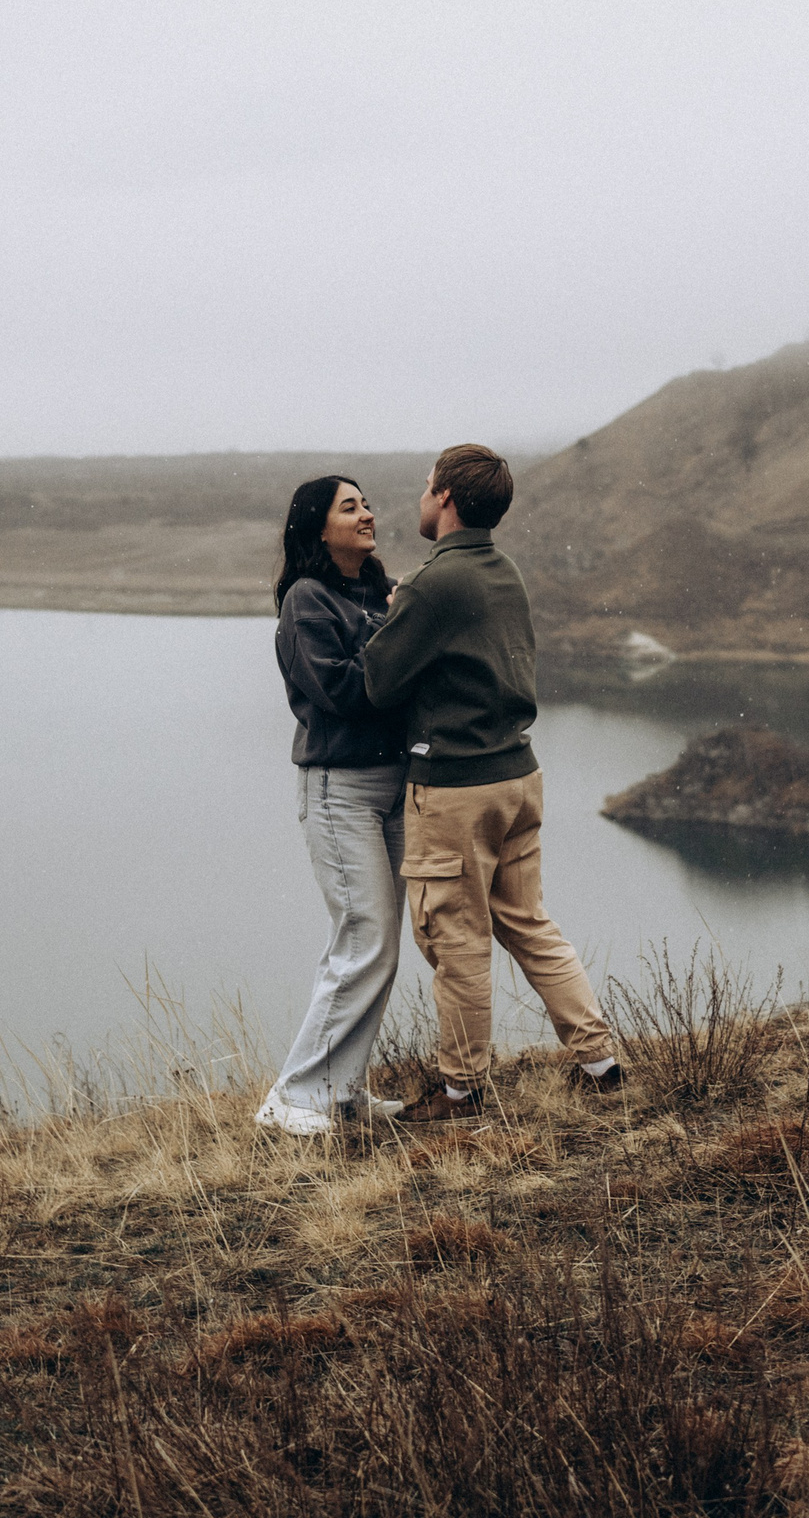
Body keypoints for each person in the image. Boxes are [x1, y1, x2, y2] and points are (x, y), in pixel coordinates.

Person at [362, 444, 622, 1120]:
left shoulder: (433, 582)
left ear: (446, 497)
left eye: (427, 486)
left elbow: (378, 682)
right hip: (517, 776)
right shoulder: (504, 571)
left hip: (456, 789)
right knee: (527, 922)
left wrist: (396, 614)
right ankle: (601, 1062)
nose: (421, 497)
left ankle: (462, 1091)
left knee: (454, 941)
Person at [253, 476, 411, 1136]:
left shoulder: (380, 592)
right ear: (318, 528)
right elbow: (342, 691)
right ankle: (291, 1097)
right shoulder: (306, 599)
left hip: (394, 783)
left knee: (378, 944)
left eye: (366, 504)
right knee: (363, 936)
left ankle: (340, 1091)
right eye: (351, 507)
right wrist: (401, 633)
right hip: (338, 786)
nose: (367, 514)